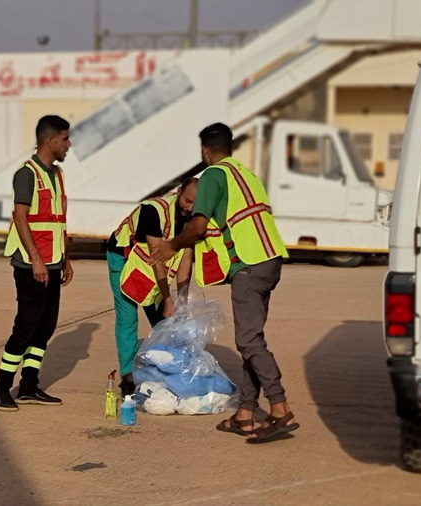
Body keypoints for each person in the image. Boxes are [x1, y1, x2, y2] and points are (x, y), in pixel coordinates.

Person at [149, 123, 297, 444]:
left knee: (248, 341)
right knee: (251, 338)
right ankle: (245, 413)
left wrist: (170, 245)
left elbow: (199, 226)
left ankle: (279, 406)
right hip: (270, 258)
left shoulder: (213, 176)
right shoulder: (247, 174)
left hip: (249, 263)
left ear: (205, 152)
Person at [0, 115, 74, 412]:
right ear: (50, 141)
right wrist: (36, 259)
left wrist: (65, 259)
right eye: (65, 139)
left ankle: (29, 385)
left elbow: (58, 221)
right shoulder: (26, 174)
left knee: (45, 327)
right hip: (31, 265)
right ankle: (1, 389)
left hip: (54, 262)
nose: (68, 144)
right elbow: (21, 217)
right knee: (26, 327)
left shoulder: (57, 174)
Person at [106, 179, 198, 396]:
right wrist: (167, 297)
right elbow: (157, 257)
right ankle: (128, 376)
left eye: (196, 203)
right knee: (128, 317)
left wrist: (182, 302)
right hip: (124, 259)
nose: (190, 208)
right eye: (187, 201)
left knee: (166, 320)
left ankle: (164, 368)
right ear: (178, 192)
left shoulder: (195, 218)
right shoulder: (153, 211)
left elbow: (185, 260)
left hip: (150, 266)